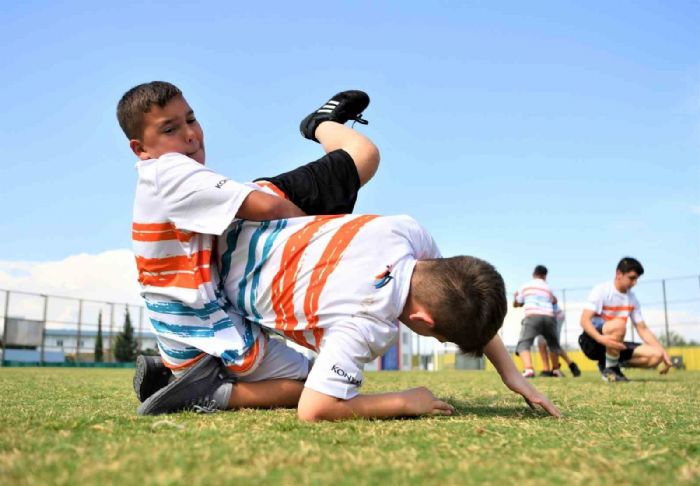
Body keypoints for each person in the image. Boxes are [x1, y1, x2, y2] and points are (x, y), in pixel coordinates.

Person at [139, 212, 561, 420]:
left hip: (232, 231)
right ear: (424, 322)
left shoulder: (407, 232)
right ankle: (209, 391)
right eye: (439, 338)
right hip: (215, 294)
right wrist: (403, 402)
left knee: (361, 159)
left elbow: (462, 297)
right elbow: (314, 409)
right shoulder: (369, 323)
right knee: (309, 381)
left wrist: (511, 373)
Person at [118, 81, 380, 409]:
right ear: (141, 148)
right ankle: (208, 394)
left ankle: (178, 378)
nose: (190, 134)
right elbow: (269, 209)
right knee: (321, 382)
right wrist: (317, 241)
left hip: (188, 339)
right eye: (170, 128)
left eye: (191, 119)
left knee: (361, 159)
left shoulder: (157, 178)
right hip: (214, 339)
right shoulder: (169, 170)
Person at [579, 257, 672, 382]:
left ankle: (609, 365)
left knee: (656, 355)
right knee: (618, 324)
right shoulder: (601, 290)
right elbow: (584, 320)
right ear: (619, 274)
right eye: (632, 278)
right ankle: (611, 368)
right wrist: (600, 338)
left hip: (614, 343)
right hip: (593, 341)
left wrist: (663, 352)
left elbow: (642, 329)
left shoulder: (632, 299)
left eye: (637, 279)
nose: (634, 283)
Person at [512, 265, 564, 378]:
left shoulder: (526, 286)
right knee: (553, 344)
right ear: (545, 276)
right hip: (549, 317)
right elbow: (554, 301)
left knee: (524, 343)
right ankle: (556, 370)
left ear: (533, 274)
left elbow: (518, 304)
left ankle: (529, 369)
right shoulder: (548, 287)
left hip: (532, 316)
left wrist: (515, 298)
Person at [535, 304, 581, 377]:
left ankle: (557, 369)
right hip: (541, 317)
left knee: (552, 343)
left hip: (555, 316)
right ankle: (546, 370)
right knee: (541, 342)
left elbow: (554, 300)